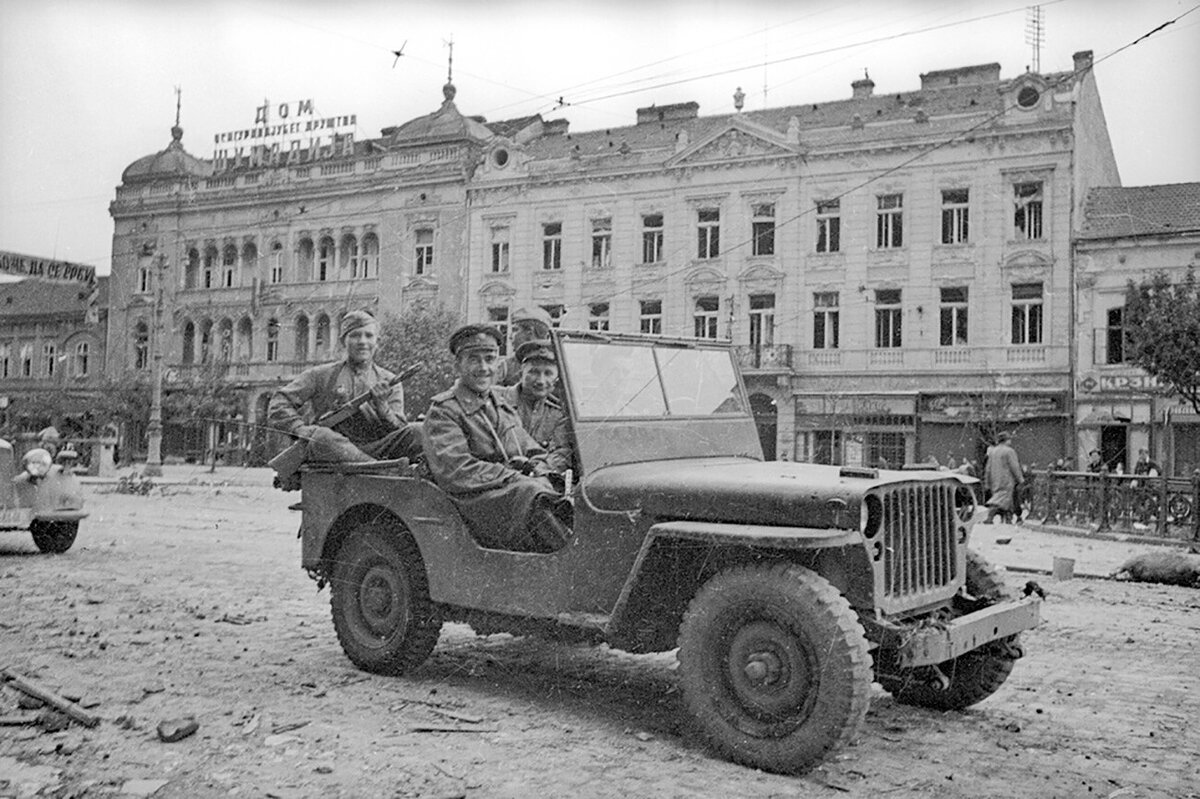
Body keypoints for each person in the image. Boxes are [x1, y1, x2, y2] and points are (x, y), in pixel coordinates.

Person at [423, 324, 572, 553]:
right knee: (532, 494)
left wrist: (540, 470)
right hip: (470, 501)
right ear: (458, 365)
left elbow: (531, 450)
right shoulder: (444, 411)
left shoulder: (500, 405)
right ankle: (570, 563)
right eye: (474, 359)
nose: (484, 368)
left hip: (503, 495)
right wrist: (515, 477)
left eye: (490, 359)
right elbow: (456, 470)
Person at [268, 310, 422, 464]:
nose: (362, 341)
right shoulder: (321, 375)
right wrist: (300, 429)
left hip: (378, 450)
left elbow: (401, 429)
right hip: (334, 450)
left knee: (418, 431)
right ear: (343, 341)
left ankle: (374, 466)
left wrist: (383, 407)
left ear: (377, 342)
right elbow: (279, 402)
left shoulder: (389, 380)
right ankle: (376, 468)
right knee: (321, 437)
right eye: (355, 335)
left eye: (369, 336)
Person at [500, 339, 573, 474]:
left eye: (548, 373)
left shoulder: (558, 414)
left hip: (537, 479)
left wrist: (536, 469)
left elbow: (562, 454)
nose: (540, 380)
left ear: (557, 378)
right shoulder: (498, 401)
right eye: (533, 372)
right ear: (521, 373)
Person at [496, 307, 553, 387]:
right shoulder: (505, 367)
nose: (510, 337)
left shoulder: (558, 363)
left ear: (530, 332)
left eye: (515, 330)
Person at [984, 431, 1023, 524]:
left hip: (995, 480)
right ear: (1007, 440)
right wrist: (1020, 479)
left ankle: (1009, 519)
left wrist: (987, 481)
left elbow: (988, 468)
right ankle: (991, 516)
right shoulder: (1009, 451)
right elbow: (1015, 467)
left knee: (1006, 500)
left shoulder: (993, 451)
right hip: (1007, 479)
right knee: (1001, 499)